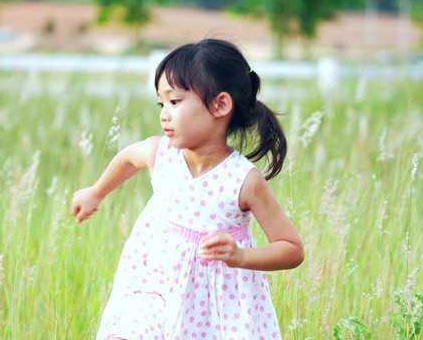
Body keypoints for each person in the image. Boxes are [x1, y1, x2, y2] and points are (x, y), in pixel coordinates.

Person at [71, 38, 304, 340]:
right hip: (153, 286)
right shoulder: (162, 154)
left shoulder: (243, 180)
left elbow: (291, 248)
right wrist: (96, 192)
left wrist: (241, 257)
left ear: (220, 104)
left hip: (213, 307)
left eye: (175, 102)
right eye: (161, 103)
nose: (163, 114)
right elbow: (129, 157)